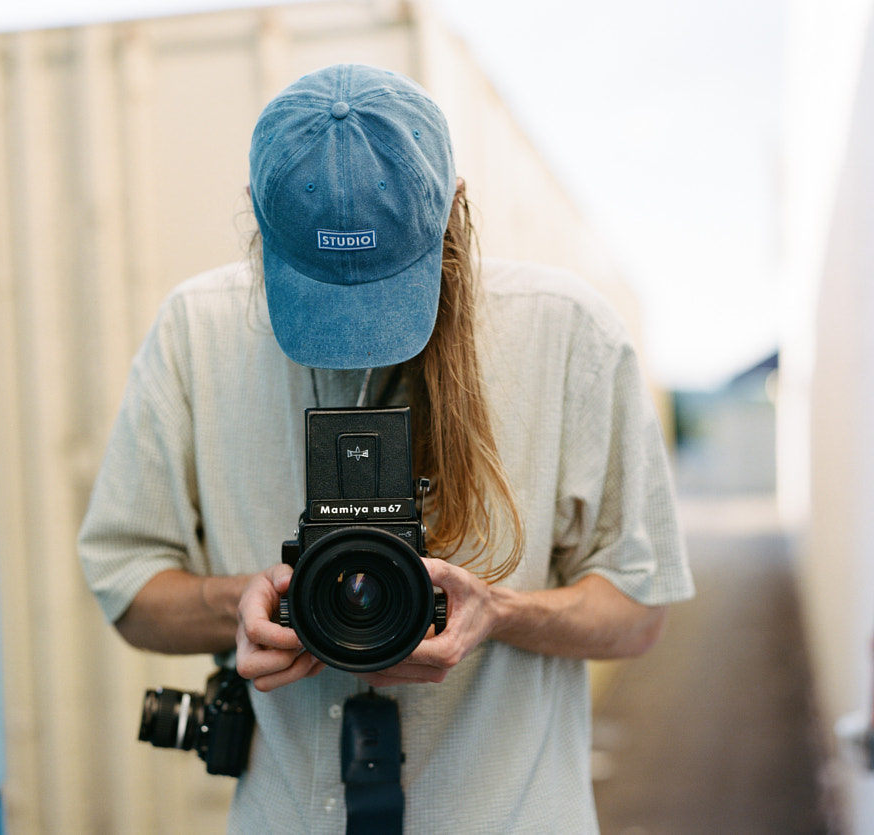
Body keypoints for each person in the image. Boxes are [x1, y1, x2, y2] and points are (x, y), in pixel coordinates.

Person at [79, 63, 694, 834]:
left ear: (455, 210)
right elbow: (128, 589)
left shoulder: (570, 334)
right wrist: (255, 606)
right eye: (323, 291)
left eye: (383, 286)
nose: (350, 339)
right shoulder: (194, 333)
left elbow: (638, 609)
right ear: (256, 216)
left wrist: (496, 611)